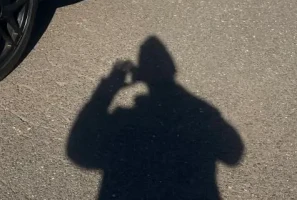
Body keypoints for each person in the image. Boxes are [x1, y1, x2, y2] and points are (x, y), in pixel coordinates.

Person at [67, 36, 244, 199]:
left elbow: (79, 149)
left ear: (139, 75)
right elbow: (233, 153)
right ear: (173, 70)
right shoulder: (200, 118)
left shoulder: (123, 124)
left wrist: (105, 92)